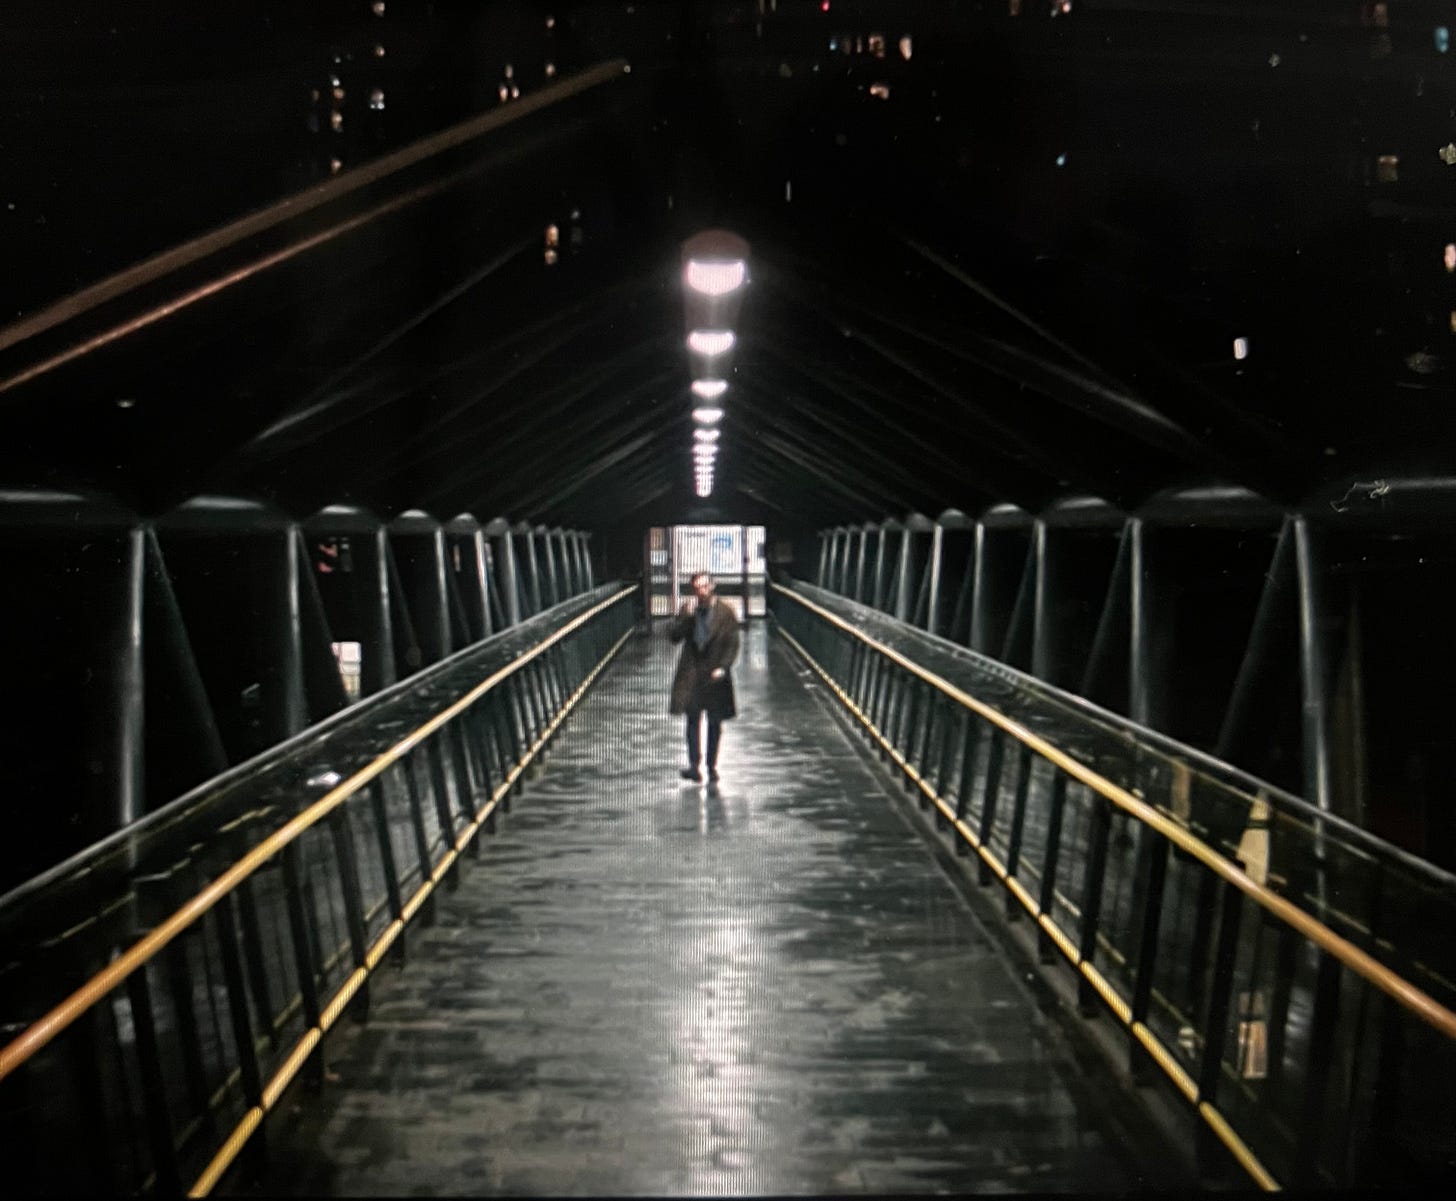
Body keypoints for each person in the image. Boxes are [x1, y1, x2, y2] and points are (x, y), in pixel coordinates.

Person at [668, 571, 740, 783]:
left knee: (714, 722)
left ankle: (711, 765)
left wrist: (723, 667)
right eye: (697, 587)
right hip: (692, 674)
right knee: (692, 720)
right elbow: (674, 637)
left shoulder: (725, 613)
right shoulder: (689, 610)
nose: (701, 591)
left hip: (714, 674)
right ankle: (694, 765)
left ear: (712, 586)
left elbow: (732, 644)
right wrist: (686, 618)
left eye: (704, 586)